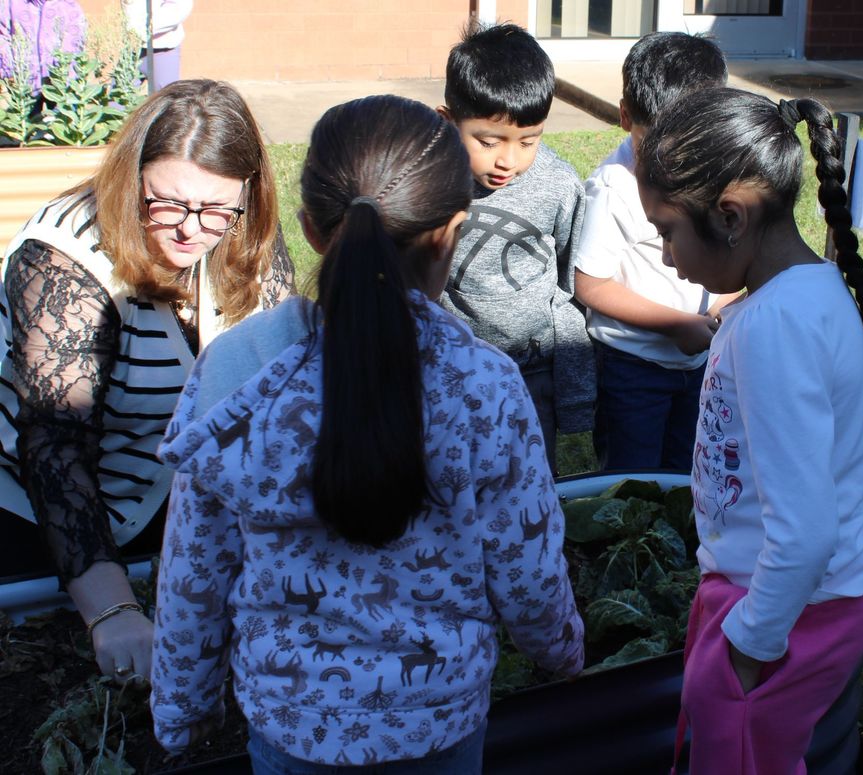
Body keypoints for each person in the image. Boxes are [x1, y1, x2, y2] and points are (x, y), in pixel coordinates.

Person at [149, 95, 584, 772]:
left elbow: (193, 573)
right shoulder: (486, 385)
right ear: (451, 231)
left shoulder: (237, 369)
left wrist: (182, 711)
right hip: (440, 730)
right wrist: (563, 653)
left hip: (291, 733)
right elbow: (526, 569)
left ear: (312, 232)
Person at [634, 87, 863, 774]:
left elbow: (807, 527)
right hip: (803, 602)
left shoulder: (773, 330)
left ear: (730, 216)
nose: (666, 254)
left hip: (787, 618)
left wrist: (746, 648)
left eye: (668, 230)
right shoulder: (805, 292)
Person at [0, 79, 294, 685]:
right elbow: (54, 445)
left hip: (176, 507)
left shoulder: (241, 233)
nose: (191, 230)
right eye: (167, 204)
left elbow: (285, 392)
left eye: (216, 209)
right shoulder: (60, 259)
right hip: (43, 517)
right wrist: (112, 611)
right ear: (131, 181)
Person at [575, 32, 740, 473]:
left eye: (690, 142)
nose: (674, 159)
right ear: (627, 117)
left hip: (701, 359)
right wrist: (675, 324)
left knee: (690, 473)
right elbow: (590, 283)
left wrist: (723, 305)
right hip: (633, 368)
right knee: (633, 483)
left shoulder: (710, 175)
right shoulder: (614, 187)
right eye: (658, 141)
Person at [437, 21, 594, 475]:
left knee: (529, 477)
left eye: (529, 140)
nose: (508, 160)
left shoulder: (558, 185)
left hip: (534, 369)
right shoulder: (431, 181)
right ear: (448, 121)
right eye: (488, 142)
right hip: (454, 367)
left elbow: (569, 277)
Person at [122, 0, 193, 92]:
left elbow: (180, 8)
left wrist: (141, 30)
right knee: (117, 100)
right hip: (132, 48)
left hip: (162, 48)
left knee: (165, 100)